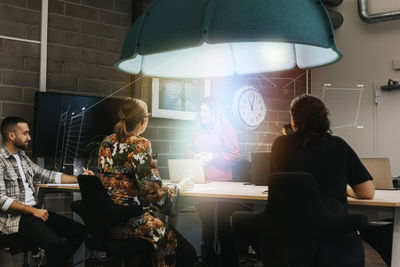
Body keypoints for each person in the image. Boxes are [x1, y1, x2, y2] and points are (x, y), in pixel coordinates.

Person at [270, 95, 375, 266]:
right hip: (333, 238)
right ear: (324, 118)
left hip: (290, 238)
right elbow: (367, 192)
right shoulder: (338, 146)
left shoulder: (280, 145)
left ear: (295, 119)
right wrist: (347, 189)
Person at [97, 98, 196, 267]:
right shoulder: (139, 144)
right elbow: (152, 191)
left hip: (109, 222)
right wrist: (177, 188)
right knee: (185, 250)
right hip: (132, 221)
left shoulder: (107, 142)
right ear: (144, 120)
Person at [0, 116, 92, 267]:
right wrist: (32, 211)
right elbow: (1, 199)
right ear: (11, 135)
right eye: (25, 133)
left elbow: (47, 175)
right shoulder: (0, 160)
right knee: (54, 244)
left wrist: (79, 178)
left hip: (34, 212)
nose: (29, 137)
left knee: (78, 231)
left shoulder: (22, 157)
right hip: (16, 218)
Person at [185, 97, 241, 267]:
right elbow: (188, 150)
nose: (201, 114)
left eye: (205, 111)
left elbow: (234, 155)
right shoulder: (198, 130)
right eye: (200, 111)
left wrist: (212, 157)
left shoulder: (227, 129)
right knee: (207, 227)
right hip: (202, 183)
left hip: (222, 184)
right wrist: (195, 156)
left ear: (215, 112)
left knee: (223, 226)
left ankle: (228, 262)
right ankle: (209, 261)